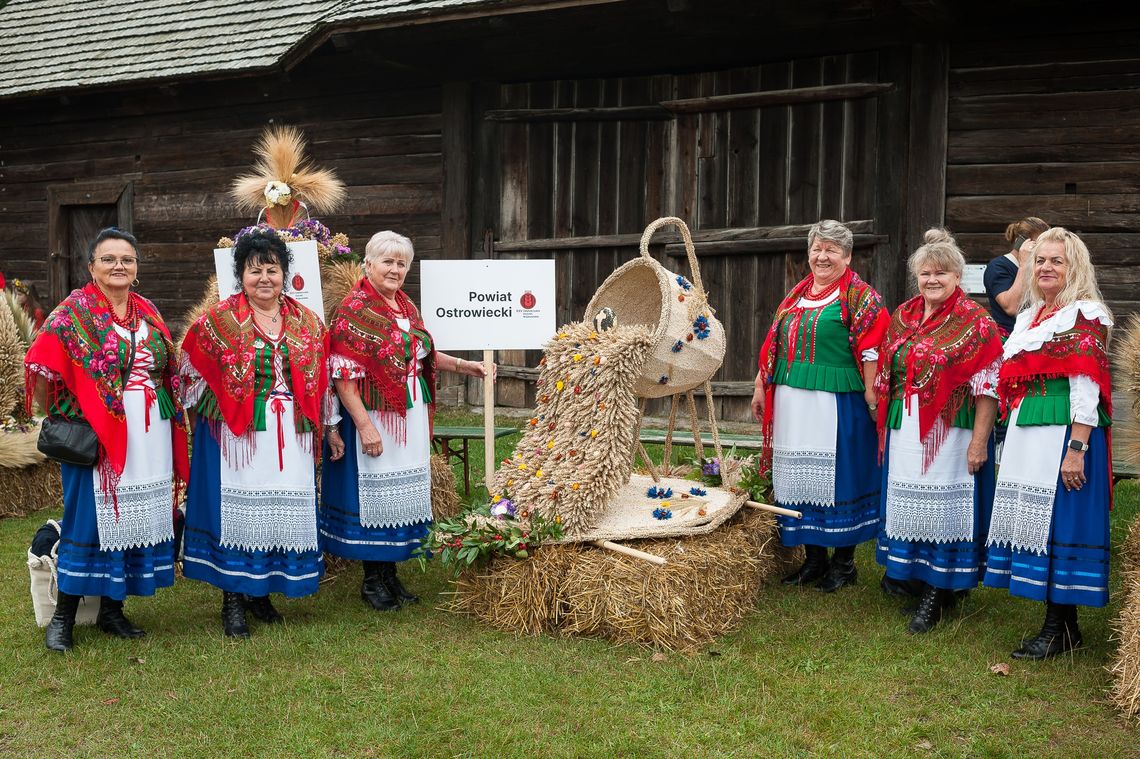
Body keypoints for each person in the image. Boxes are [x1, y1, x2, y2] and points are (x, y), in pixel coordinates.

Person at [25, 227, 190, 652]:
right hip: (98, 436)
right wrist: (69, 413)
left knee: (130, 522)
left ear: (136, 268)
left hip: (149, 434)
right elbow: (42, 365)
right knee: (87, 520)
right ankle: (63, 617)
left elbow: (165, 368)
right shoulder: (73, 312)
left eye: (127, 259)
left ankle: (112, 610)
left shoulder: (146, 310)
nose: (119, 266)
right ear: (91, 266)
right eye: (109, 259)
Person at [180, 228, 341, 638]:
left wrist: (330, 428)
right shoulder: (219, 320)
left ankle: (261, 591)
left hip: (292, 433)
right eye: (255, 271)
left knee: (276, 512)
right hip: (238, 436)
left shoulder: (308, 321)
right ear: (241, 276)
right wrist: (199, 419)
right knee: (240, 514)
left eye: (272, 269)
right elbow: (190, 369)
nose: (264, 278)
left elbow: (323, 380)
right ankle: (233, 597)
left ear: (285, 274)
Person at [321, 231, 491, 610]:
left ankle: (389, 575)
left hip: (408, 415)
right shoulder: (354, 310)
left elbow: (420, 354)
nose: (395, 269)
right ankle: (372, 580)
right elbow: (343, 378)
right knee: (377, 495)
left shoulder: (405, 306)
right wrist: (365, 427)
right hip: (375, 414)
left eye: (401, 263)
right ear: (368, 264)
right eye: (388, 262)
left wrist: (466, 366)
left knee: (401, 493)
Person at [984, 227, 1113, 660]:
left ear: (1074, 267)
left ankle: (1058, 628)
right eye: (1040, 260)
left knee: (1058, 524)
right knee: (1039, 524)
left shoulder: (1085, 315)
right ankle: (1064, 627)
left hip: (1063, 432)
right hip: (1030, 428)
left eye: (1057, 260)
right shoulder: (1030, 317)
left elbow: (1087, 386)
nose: (1046, 267)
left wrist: (1077, 449)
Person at [874, 229, 1003, 633]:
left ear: (957, 277)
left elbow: (989, 388)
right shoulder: (904, 315)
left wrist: (979, 442)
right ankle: (913, 576)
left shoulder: (976, 323)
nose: (932, 280)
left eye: (941, 273)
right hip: (905, 425)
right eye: (926, 273)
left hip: (950, 430)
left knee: (945, 510)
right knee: (910, 505)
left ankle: (939, 589)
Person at [752, 220, 889, 592]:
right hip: (793, 402)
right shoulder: (796, 295)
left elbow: (874, 349)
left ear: (847, 256)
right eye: (817, 248)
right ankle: (813, 559)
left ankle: (843, 564)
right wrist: (761, 384)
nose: (823, 256)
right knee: (800, 479)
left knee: (839, 478)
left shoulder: (861, 297)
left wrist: (872, 395)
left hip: (837, 402)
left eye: (832, 250)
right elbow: (774, 343)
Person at [984, 217, 1049, 338]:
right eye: (1038, 245)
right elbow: (1011, 307)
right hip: (1010, 338)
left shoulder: (1040, 267)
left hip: (1037, 335)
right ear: (1021, 242)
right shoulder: (998, 266)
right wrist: (1024, 265)